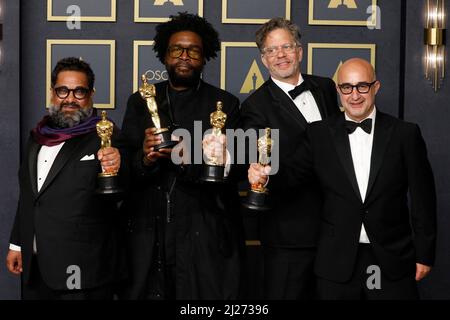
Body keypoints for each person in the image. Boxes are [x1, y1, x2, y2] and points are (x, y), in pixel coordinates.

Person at [249, 58, 437, 300]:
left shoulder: (405, 134)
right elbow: (291, 174)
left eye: (362, 86)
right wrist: (264, 177)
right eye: (347, 87)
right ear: (338, 90)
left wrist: (424, 254)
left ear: (376, 87)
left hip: (391, 259)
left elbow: (424, 200)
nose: (354, 95)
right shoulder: (319, 134)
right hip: (335, 262)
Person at [119, 12, 243, 300]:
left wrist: (191, 158)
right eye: (177, 49)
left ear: (205, 57)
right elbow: (125, 166)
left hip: (204, 232)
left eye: (194, 51)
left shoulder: (225, 105)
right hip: (148, 232)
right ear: (164, 55)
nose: (185, 56)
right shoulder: (140, 101)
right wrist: (145, 157)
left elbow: (235, 171)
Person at [5, 57, 126, 300]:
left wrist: (119, 166)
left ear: (90, 94)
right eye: (62, 91)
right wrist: (17, 244)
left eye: (79, 91)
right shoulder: (37, 137)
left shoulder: (106, 135)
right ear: (52, 93)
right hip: (36, 267)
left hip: (84, 270)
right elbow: (30, 197)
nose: (70, 99)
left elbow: (126, 189)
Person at [240, 17, 340, 299]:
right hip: (289, 235)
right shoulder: (254, 108)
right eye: (272, 50)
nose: (280, 55)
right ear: (263, 59)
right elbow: (269, 167)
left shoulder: (327, 88)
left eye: (286, 46)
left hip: (338, 229)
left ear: (300, 50)